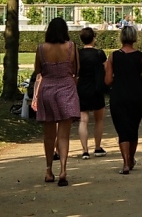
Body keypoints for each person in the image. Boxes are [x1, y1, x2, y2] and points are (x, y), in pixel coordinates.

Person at [34, 17, 80, 186]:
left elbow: (38, 71)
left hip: (47, 90)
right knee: (64, 135)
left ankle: (48, 170)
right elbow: (76, 70)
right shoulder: (72, 47)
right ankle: (63, 169)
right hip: (67, 89)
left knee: (48, 135)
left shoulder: (41, 49)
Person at [105, 26, 142, 174]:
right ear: (134, 38)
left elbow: (107, 80)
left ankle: (125, 162)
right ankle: (131, 158)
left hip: (119, 95)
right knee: (133, 128)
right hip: (136, 95)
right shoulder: (141, 56)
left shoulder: (113, 56)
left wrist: (118, 79)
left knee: (122, 129)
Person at [76, 27, 107, 160]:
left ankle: (85, 150)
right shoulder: (99, 54)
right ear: (93, 38)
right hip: (96, 87)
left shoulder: (78, 54)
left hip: (82, 88)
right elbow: (106, 69)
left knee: (83, 120)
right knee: (98, 119)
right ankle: (98, 147)